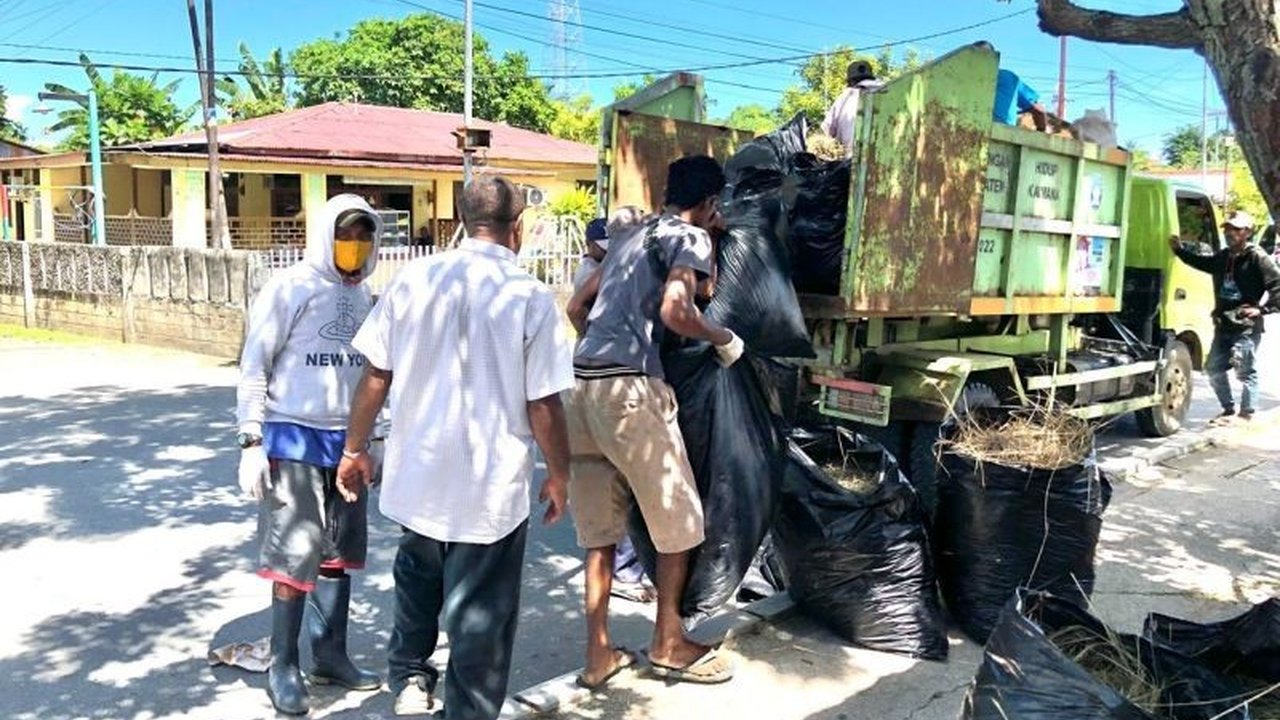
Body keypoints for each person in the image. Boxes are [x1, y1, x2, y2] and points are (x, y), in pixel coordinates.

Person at [337, 175, 574, 719]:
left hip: (417, 476)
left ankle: (410, 677)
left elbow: (377, 372)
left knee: (417, 581)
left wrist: (354, 448)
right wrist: (560, 474)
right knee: (481, 616)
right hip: (487, 491)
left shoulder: (413, 278)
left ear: (464, 219)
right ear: (518, 229)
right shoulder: (529, 296)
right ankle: (465, 710)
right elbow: (544, 404)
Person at [567, 155, 744, 690]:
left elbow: (577, 306)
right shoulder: (691, 238)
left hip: (581, 386)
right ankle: (668, 642)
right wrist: (723, 339)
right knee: (681, 519)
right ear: (711, 203)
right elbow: (676, 311)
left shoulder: (632, 234)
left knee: (600, 534)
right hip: (630, 390)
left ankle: (599, 656)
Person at [235, 194, 386, 716]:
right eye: (347, 234)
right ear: (326, 233)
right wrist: (250, 440)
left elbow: (375, 374)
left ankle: (330, 654)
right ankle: (283, 664)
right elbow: (255, 364)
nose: (355, 246)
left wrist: (377, 438)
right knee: (295, 555)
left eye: (365, 236)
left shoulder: (366, 296)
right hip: (292, 436)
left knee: (337, 552)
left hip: (346, 443)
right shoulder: (290, 288)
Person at [1169, 211, 1280, 424]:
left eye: (1236, 229)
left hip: (1246, 326)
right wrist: (1179, 251)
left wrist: (1262, 310)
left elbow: (1277, 286)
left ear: (1247, 232)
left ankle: (1247, 413)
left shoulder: (1257, 257)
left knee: (1245, 370)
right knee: (1213, 368)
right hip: (1224, 323)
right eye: (1228, 229)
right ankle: (1228, 409)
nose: (1230, 233)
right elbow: (1204, 263)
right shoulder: (1224, 256)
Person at [976, 42, 1049, 132]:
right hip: (1004, 134)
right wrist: (1041, 133)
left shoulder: (961, 80)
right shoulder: (1009, 78)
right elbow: (1039, 111)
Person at [821, 60, 884, 153]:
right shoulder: (888, 91)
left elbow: (826, 130)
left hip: (851, 160)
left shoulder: (846, 96)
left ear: (851, 81)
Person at [572, 218, 610, 292]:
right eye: (603, 248)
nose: (608, 251)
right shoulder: (587, 272)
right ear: (589, 243)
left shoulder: (602, 263)